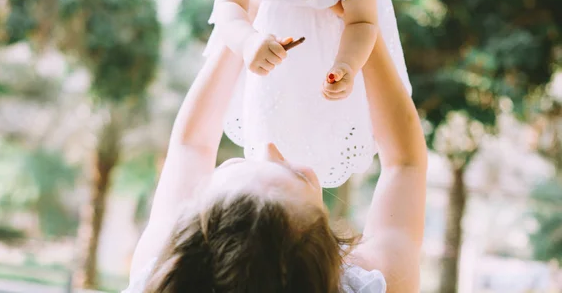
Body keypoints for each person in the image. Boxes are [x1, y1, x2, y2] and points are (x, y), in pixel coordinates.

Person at [121, 28, 427, 292]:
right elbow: (405, 165)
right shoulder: (373, 282)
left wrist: (241, 31)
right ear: (331, 252)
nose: (269, 147)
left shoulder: (162, 273)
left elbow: (192, 146)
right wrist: (362, 32)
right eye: (299, 176)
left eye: (236, 165)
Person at [204, 0, 412, 188]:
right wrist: (247, 41)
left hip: (333, 45)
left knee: (324, 123)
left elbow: (362, 22)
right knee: (271, 134)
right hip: (267, 43)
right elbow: (227, 7)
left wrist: (347, 65)